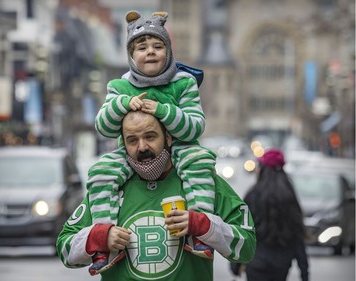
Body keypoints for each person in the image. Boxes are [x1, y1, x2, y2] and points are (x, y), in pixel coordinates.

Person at [87, 10, 217, 274]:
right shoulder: (119, 87)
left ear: (168, 51)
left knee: (199, 163)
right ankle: (103, 241)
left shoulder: (184, 83)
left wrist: (162, 111)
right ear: (131, 56)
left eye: (158, 46)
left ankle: (200, 231)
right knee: (100, 172)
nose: (150, 52)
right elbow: (104, 126)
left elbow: (194, 128)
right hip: (129, 153)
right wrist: (123, 105)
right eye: (142, 47)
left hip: (179, 148)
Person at [57, 110, 256, 281]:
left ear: (168, 137)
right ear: (123, 144)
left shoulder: (201, 182)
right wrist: (99, 237)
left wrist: (203, 226)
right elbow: (65, 251)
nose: (142, 147)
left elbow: (246, 247)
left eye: (150, 136)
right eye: (132, 140)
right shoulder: (108, 188)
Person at [230, 149, 309, 281]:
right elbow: (298, 235)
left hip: (255, 263)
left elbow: (243, 231)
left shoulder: (253, 194)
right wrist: (304, 271)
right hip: (282, 264)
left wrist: (236, 265)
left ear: (262, 169)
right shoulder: (289, 196)